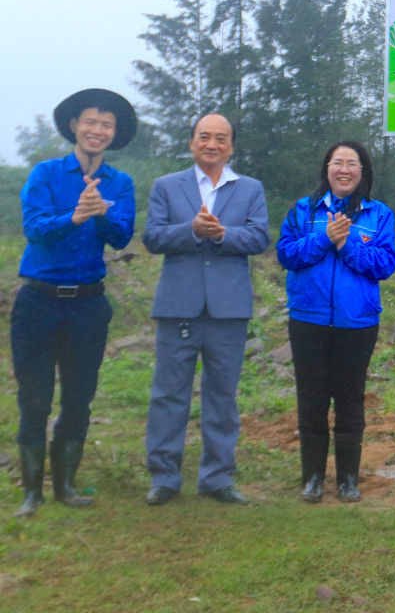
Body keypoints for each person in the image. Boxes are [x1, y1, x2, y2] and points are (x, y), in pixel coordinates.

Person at [11, 89, 137, 518]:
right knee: (35, 397)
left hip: (88, 305)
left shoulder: (120, 183)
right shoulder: (45, 174)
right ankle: (32, 492)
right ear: (73, 126)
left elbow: (121, 236)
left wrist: (100, 213)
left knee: (79, 397)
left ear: (114, 134)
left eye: (106, 124)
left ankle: (65, 485)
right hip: (38, 302)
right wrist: (75, 216)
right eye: (90, 121)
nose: (97, 130)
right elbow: (35, 229)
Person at [143, 114, 269, 506]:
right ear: (192, 142)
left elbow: (260, 236)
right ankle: (164, 477)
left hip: (229, 309)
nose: (211, 144)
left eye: (221, 138)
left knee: (222, 396)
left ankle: (217, 478)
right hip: (178, 305)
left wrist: (223, 234)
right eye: (204, 137)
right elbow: (152, 237)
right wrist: (191, 231)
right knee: (169, 394)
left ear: (231, 146)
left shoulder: (249, 189)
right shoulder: (167, 186)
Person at [277, 141, 395, 503]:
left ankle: (347, 478)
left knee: (350, 399)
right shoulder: (303, 210)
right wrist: (324, 239)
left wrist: (348, 247)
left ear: (363, 172)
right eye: (337, 162)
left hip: (356, 322)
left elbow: (385, 264)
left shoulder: (379, 215)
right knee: (311, 399)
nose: (344, 170)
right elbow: (286, 254)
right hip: (308, 319)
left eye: (352, 164)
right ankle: (312, 477)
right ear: (326, 169)